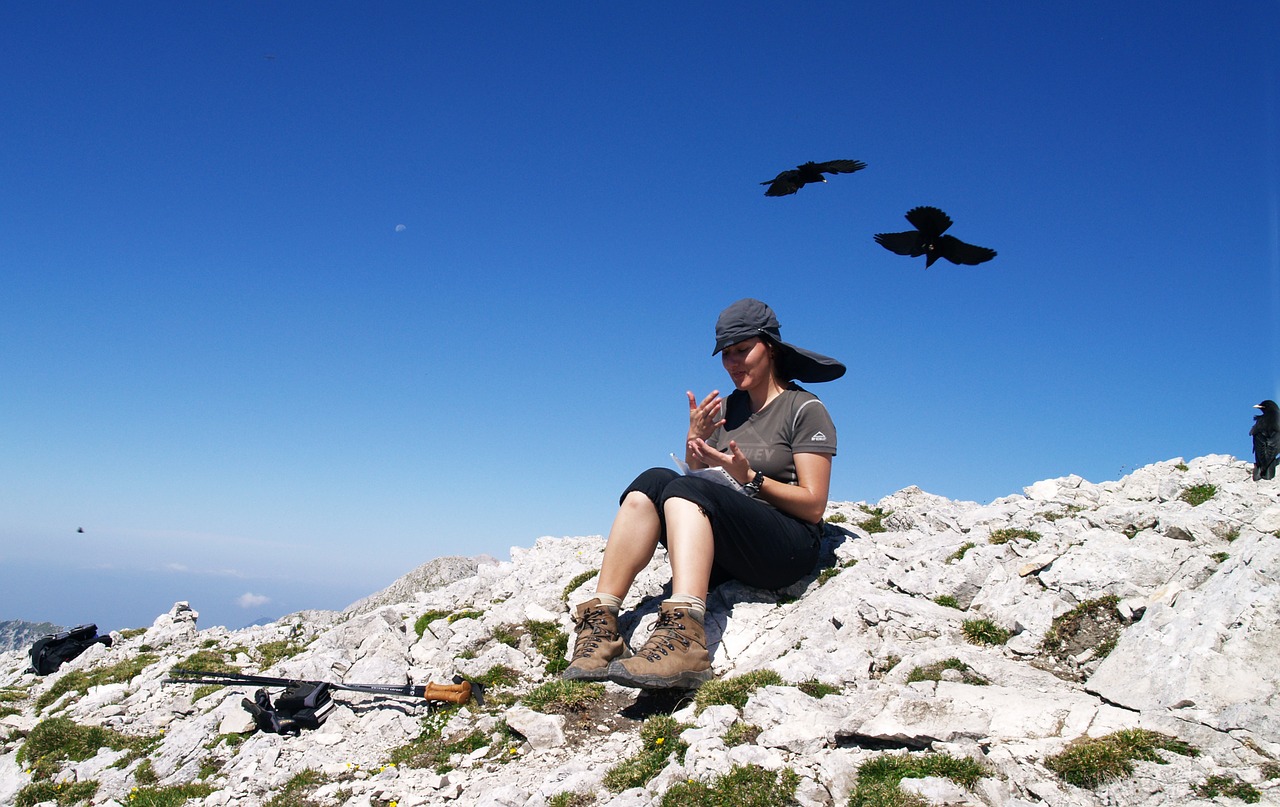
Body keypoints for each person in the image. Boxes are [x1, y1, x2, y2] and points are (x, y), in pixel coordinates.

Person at [564, 298, 844, 690]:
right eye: (727, 354)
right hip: (731, 546)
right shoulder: (727, 410)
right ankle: (602, 624)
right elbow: (696, 486)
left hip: (786, 549)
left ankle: (687, 639)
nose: (733, 362)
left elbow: (814, 506)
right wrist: (694, 441)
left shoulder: (804, 408)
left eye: (743, 350)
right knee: (652, 481)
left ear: (771, 348)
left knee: (683, 489)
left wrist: (751, 477)